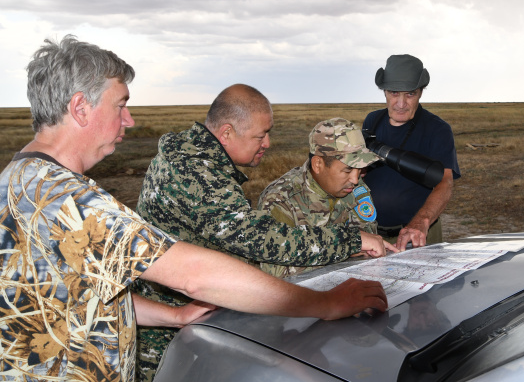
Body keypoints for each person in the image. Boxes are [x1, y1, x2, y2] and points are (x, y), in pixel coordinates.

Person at [0, 35, 387, 382]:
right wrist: (325, 303)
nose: (130, 120)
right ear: (81, 108)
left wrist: (172, 315)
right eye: (121, 105)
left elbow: (81, 288)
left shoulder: (20, 180)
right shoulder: (70, 201)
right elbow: (194, 275)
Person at [133, 85, 390, 381]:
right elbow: (265, 240)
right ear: (227, 133)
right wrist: (351, 240)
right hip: (172, 340)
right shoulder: (196, 174)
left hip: (194, 319)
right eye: (260, 135)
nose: (267, 142)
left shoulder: (190, 155)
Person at [257, 118, 398, 278]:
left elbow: (367, 239)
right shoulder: (280, 199)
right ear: (318, 164)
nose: (355, 179)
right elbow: (278, 273)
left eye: (360, 169)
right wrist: (346, 248)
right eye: (348, 170)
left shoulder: (355, 188)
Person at [362, 54, 461, 251]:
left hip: (417, 237)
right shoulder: (372, 121)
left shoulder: (437, 129)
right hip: (372, 234)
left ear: (421, 93)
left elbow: (445, 182)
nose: (401, 103)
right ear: (384, 92)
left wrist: (420, 223)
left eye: (410, 94)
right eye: (393, 93)